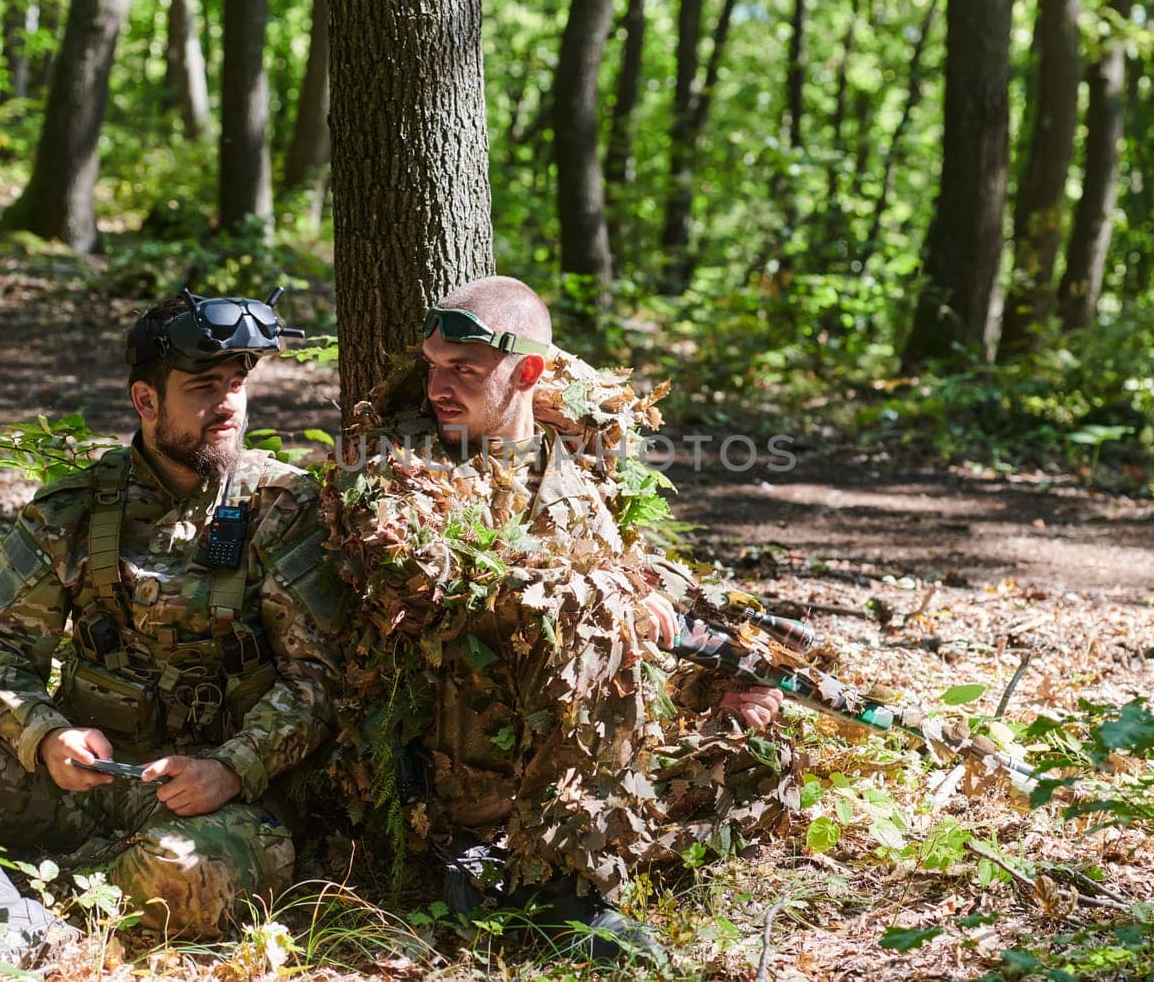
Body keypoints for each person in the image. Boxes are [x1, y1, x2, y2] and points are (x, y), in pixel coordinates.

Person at [0, 292, 341, 977]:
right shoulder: (74, 509)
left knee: (194, 870)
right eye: (202, 388)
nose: (228, 405)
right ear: (145, 400)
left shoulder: (282, 510)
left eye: (237, 383)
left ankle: (36, 914)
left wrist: (232, 766)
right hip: (79, 782)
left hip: (211, 805)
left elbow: (318, 681)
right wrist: (46, 735)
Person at [318, 276, 797, 965]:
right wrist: (602, 589)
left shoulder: (574, 468)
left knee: (757, 753)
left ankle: (508, 873)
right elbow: (429, 585)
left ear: (529, 373)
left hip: (563, 753)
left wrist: (704, 687)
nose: (437, 389)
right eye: (433, 366)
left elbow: (630, 633)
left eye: (465, 371)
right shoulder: (394, 465)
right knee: (597, 601)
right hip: (448, 757)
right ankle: (564, 898)